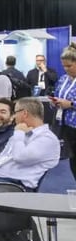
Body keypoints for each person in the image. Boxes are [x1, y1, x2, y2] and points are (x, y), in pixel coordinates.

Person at [0, 97, 60, 190]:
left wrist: (19, 133)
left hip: (13, 185)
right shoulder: (21, 134)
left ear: (24, 114)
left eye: (16, 112)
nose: (14, 117)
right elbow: (0, 159)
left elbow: (20, 157)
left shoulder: (47, 139)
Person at [50, 44, 76, 178]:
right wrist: (55, 102)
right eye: (64, 66)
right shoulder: (63, 79)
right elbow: (57, 95)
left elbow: (69, 102)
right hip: (65, 126)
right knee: (73, 160)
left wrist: (71, 104)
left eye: (69, 66)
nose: (66, 69)